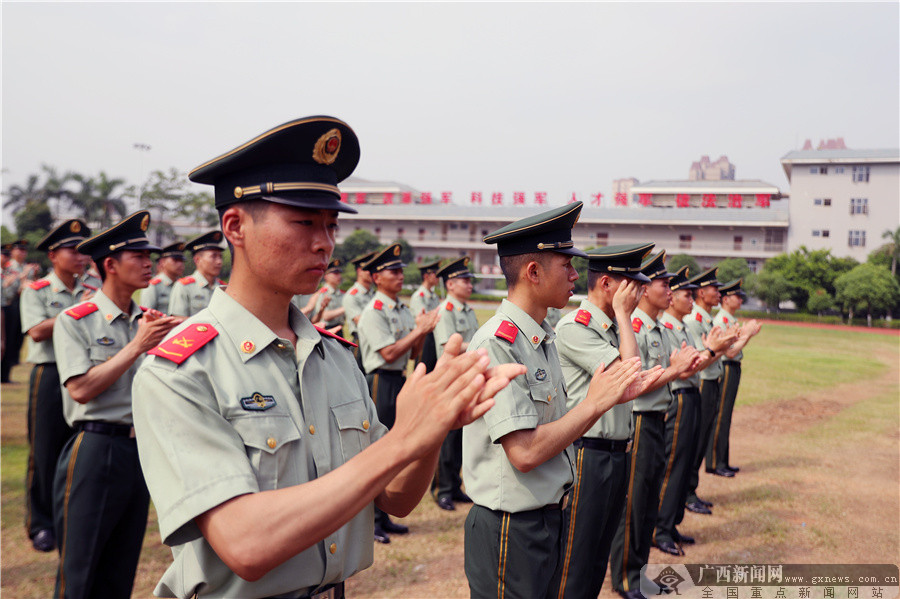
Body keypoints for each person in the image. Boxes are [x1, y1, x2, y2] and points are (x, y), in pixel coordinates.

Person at [132, 116, 522, 599]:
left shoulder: (332, 355)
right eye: (303, 222)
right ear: (235, 226)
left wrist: (434, 425)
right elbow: (245, 544)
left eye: (331, 225)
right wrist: (403, 439)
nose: (324, 242)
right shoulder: (182, 369)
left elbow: (396, 497)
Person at [463, 202, 660, 599]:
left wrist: (599, 402)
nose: (575, 275)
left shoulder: (540, 336)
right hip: (510, 525)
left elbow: (555, 424)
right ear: (533, 272)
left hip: (546, 514)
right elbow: (524, 453)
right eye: (565, 265)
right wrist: (595, 404)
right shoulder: (499, 343)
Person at [52, 210, 181, 599]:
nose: (148, 265)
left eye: (150, 257)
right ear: (110, 264)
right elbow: (81, 389)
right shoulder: (76, 320)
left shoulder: (149, 320)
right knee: (81, 570)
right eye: (138, 258)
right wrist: (137, 346)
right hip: (96, 445)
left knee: (121, 568)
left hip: (139, 448)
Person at [553, 243, 653, 599]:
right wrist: (625, 317)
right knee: (576, 557)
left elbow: (635, 382)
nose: (639, 291)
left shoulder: (610, 327)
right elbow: (629, 376)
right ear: (608, 284)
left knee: (597, 555)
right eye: (631, 283)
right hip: (587, 452)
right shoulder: (576, 327)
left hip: (615, 450)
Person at [609, 251, 700, 599]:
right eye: (664, 284)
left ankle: (639, 572)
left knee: (648, 503)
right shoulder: (634, 327)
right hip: (639, 421)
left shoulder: (658, 327)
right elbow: (635, 379)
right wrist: (675, 371)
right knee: (634, 504)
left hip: (658, 418)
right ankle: (626, 578)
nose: (669, 290)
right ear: (645, 290)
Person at [358, 243, 440, 542]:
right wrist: (418, 332)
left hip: (398, 379)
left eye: (401, 271)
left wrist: (422, 332)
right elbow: (390, 352)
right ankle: (373, 519)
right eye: (392, 271)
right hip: (379, 380)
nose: (399, 276)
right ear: (377, 277)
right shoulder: (374, 311)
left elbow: (413, 351)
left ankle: (385, 515)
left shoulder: (402, 308)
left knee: (395, 444)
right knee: (378, 448)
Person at [19, 219, 92, 553]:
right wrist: (79, 312)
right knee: (44, 449)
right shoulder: (38, 291)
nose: (80, 256)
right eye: (71, 250)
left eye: (82, 250)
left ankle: (70, 515)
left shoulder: (92, 288)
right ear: (52, 255)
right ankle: (41, 523)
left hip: (84, 372)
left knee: (78, 445)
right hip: (49, 373)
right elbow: (36, 331)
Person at [652, 266, 736, 556]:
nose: (691, 300)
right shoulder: (667, 328)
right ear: (672, 298)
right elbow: (685, 370)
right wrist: (714, 350)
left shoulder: (683, 326)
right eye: (685, 295)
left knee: (685, 464)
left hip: (691, 396)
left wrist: (714, 349)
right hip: (679, 397)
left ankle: (671, 522)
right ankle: (659, 528)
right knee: (673, 466)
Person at [431, 257, 479, 511]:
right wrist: (480, 344)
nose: (469, 285)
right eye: (465, 280)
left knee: (460, 437)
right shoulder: (445, 310)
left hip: (465, 379)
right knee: (447, 438)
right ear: (450, 284)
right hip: (450, 379)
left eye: (470, 280)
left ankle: (455, 484)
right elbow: (448, 345)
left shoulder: (466, 309)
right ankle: (442, 489)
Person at [681, 266, 730, 518]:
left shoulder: (704, 319)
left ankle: (691, 490)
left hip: (709, 381)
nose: (718, 292)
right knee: (694, 441)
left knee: (700, 441)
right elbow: (700, 357)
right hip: (700, 382)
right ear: (701, 292)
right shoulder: (693, 320)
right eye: (714, 288)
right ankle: (687, 493)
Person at [709, 279, 761, 474]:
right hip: (726, 367)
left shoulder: (730, 320)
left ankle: (722, 459)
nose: (740, 300)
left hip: (733, 366)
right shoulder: (721, 321)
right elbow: (729, 352)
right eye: (737, 297)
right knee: (721, 415)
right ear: (726, 299)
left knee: (726, 415)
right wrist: (747, 335)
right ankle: (715, 462)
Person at [2, 239, 37, 382]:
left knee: (17, 338)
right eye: (19, 250)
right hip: (10, 305)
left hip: (22, 304)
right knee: (7, 339)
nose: (22, 253)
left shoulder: (25, 268)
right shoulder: (10, 268)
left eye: (24, 250)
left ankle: (8, 369)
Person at [167, 231, 225, 317]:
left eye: (220, 257)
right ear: (197, 260)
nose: (219, 262)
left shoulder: (223, 288)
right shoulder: (183, 286)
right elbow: (178, 320)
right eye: (213, 256)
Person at [342, 250, 377, 370]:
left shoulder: (373, 294)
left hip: (375, 341)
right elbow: (361, 322)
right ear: (359, 271)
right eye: (368, 269)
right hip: (360, 342)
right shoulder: (352, 295)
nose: (372, 273)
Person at [410, 259, 442, 373]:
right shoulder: (419, 296)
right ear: (426, 276)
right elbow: (424, 320)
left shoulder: (433, 296)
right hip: (423, 337)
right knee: (422, 369)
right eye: (435, 274)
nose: (438, 277)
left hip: (433, 336)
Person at [141, 242, 186, 312]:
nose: (180, 264)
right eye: (175, 260)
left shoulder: (184, 285)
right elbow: (146, 314)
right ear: (162, 262)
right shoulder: (153, 286)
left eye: (182, 261)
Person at [311, 258, 346, 330]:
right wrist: (345, 308)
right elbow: (324, 316)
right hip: (326, 329)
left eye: (339, 273)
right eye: (335, 273)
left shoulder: (342, 293)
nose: (339, 276)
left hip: (339, 328)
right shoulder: (322, 293)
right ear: (326, 276)